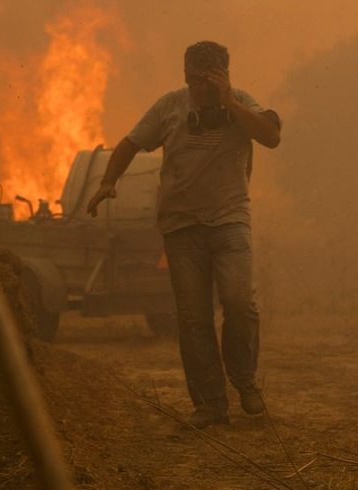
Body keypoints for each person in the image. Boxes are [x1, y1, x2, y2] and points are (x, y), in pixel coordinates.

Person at [87, 41, 282, 428]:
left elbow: (271, 136)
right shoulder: (170, 107)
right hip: (181, 228)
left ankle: (244, 381)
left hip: (230, 222)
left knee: (239, 303)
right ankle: (211, 404)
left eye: (211, 82)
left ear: (225, 77)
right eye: (196, 82)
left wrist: (230, 102)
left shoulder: (241, 103)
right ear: (185, 77)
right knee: (193, 319)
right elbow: (130, 143)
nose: (202, 91)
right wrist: (109, 180)